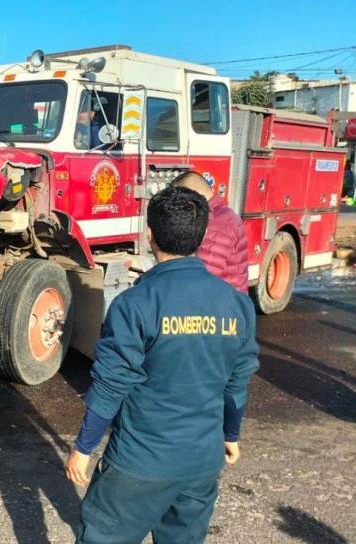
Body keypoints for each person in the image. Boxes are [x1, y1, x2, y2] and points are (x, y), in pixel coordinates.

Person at [65, 186, 259, 544]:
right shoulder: (238, 306)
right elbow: (237, 382)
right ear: (201, 235)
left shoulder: (134, 304)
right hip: (201, 462)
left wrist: (84, 447)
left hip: (139, 464)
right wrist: (230, 435)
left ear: (150, 234)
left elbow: (111, 384)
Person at [172, 171, 249, 293]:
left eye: (179, 201)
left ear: (191, 198)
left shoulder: (216, 224)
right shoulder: (220, 215)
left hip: (222, 306)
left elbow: (204, 274)